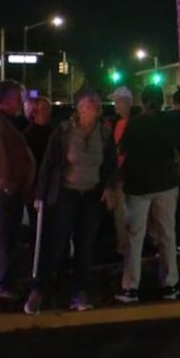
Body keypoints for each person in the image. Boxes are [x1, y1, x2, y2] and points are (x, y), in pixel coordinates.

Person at [25, 88, 119, 314]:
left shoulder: (104, 135)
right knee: (56, 243)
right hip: (66, 192)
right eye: (86, 106)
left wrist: (109, 187)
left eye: (94, 107)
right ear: (78, 108)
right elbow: (49, 163)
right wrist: (40, 194)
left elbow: (110, 165)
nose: (91, 111)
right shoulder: (64, 131)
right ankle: (40, 289)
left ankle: (81, 291)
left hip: (91, 195)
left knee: (85, 246)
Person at [115, 86, 180, 303]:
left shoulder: (135, 124)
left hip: (138, 186)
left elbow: (121, 150)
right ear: (161, 101)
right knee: (167, 234)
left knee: (135, 237)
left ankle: (130, 287)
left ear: (143, 102)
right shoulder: (170, 122)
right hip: (166, 183)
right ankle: (170, 284)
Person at [0, 80, 36, 300]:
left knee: (9, 237)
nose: (20, 102)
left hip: (8, 189)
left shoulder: (4, 121)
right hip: (2, 191)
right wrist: (8, 183)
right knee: (3, 237)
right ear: (6, 100)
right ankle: (1, 286)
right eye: (16, 98)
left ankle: (6, 283)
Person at [21, 96, 54, 245]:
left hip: (54, 187)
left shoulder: (56, 133)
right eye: (42, 109)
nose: (46, 113)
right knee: (37, 228)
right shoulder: (28, 135)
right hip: (35, 189)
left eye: (47, 109)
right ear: (34, 112)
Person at [109, 87, 135, 256]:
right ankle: (124, 246)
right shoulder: (117, 123)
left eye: (118, 101)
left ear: (127, 102)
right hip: (119, 175)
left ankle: (126, 247)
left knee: (127, 214)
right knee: (121, 214)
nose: (116, 106)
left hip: (129, 176)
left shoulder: (133, 123)